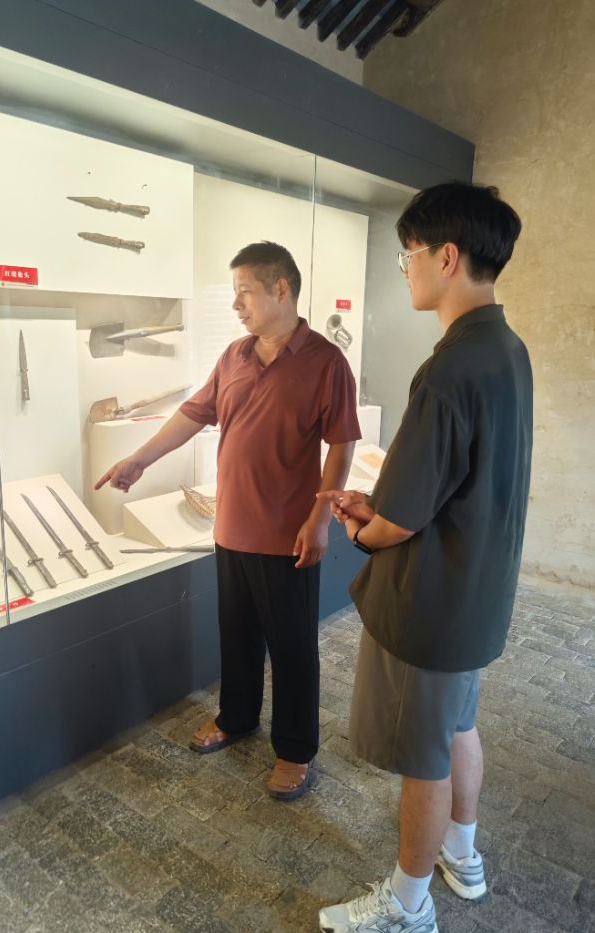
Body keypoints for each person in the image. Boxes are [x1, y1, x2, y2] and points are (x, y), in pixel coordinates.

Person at [317, 183, 531, 932]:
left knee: (425, 755)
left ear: (446, 257)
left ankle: (407, 907)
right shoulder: (506, 348)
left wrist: (362, 526)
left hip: (433, 603)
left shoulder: (449, 368)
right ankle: (462, 857)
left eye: (407, 253)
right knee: (458, 725)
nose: (404, 267)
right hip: (478, 590)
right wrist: (385, 509)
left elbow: (399, 520)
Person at [95, 241, 361, 800]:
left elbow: (340, 445)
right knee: (237, 637)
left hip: (286, 534)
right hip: (232, 528)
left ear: (280, 289)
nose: (236, 304)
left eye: (244, 292)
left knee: (292, 647)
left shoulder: (325, 362)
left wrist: (320, 517)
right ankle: (237, 718)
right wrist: (139, 459)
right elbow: (193, 414)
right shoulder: (235, 356)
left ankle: (295, 749)